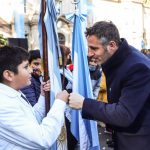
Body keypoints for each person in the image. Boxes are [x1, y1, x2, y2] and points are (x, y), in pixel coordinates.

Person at [64, 21, 150, 150]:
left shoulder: (137, 67)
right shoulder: (118, 59)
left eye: (94, 48)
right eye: (89, 48)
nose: (89, 53)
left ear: (112, 45)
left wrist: (84, 104)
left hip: (137, 141)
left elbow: (124, 114)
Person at [0, 46, 69, 150]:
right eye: (26, 67)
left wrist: (42, 95)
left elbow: (33, 118)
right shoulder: (4, 105)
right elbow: (43, 139)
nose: (31, 70)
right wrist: (60, 102)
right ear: (9, 75)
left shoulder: (13, 93)